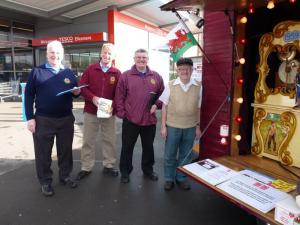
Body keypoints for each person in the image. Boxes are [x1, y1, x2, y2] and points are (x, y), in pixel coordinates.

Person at [25, 40, 80, 197]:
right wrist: (30, 118)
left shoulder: (68, 73)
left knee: (65, 151)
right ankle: (45, 182)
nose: (54, 55)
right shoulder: (37, 72)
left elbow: (75, 92)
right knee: (43, 153)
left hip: (66, 119)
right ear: (47, 53)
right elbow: (28, 95)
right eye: (51, 52)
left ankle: (65, 176)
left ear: (62, 54)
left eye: (57, 52)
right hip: (43, 119)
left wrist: (77, 93)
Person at [115, 48, 164, 183]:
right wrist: (122, 113)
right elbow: (119, 96)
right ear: (134, 59)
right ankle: (125, 172)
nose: (141, 60)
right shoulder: (126, 76)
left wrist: (157, 104)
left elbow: (163, 95)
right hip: (130, 120)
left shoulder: (156, 76)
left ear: (148, 59)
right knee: (127, 147)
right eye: (138, 57)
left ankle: (148, 170)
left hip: (149, 121)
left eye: (144, 57)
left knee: (148, 148)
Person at [76, 43, 121, 180]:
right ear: (101, 54)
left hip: (108, 112)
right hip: (91, 111)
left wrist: (114, 105)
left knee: (109, 140)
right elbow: (82, 88)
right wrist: (92, 98)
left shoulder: (116, 73)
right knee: (88, 140)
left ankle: (108, 165)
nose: (106, 55)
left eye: (109, 53)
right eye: (105, 53)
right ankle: (86, 167)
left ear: (113, 56)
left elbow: (119, 93)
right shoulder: (90, 69)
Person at [159, 57, 202, 191]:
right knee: (170, 155)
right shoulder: (171, 85)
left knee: (186, 155)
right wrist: (163, 126)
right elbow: (164, 106)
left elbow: (198, 108)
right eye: (181, 69)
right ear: (177, 70)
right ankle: (169, 179)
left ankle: (181, 178)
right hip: (173, 126)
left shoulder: (198, 86)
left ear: (191, 70)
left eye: (187, 69)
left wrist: (197, 126)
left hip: (190, 127)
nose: (184, 71)